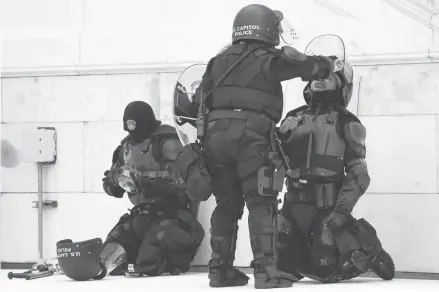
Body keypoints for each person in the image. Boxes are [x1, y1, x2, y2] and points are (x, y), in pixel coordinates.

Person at [191, 4, 344, 289]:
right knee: (262, 203)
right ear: (267, 29)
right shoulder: (269, 58)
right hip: (251, 136)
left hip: (215, 138)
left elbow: (200, 99)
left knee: (226, 205)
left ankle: (219, 272)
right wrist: (328, 63)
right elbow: (306, 66)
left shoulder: (218, 60)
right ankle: (266, 274)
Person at [276, 57, 395, 283]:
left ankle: (367, 249)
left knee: (325, 272)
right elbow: (273, 162)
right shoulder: (293, 117)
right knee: (282, 269)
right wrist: (279, 137)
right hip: (292, 208)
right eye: (315, 76)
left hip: (327, 209)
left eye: (327, 76)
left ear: (341, 83)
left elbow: (359, 173)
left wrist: (341, 212)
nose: (319, 80)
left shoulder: (347, 122)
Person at [58, 101, 205, 281]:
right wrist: (115, 180)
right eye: (129, 127)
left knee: (147, 262)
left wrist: (144, 179)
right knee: (110, 252)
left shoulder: (167, 141)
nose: (133, 132)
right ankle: (104, 267)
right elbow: (112, 186)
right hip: (141, 216)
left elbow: (186, 180)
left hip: (172, 216)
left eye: (136, 126)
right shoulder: (125, 148)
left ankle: (171, 262)